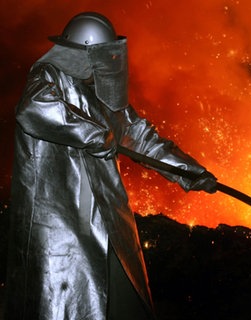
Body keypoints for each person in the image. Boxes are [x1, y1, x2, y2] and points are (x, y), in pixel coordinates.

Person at [5, 12, 217, 319]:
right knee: (69, 302)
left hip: (106, 218)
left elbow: (140, 137)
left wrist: (191, 173)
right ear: (86, 53)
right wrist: (92, 134)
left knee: (122, 300)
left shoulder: (103, 93)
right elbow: (32, 107)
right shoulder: (48, 77)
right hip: (63, 223)